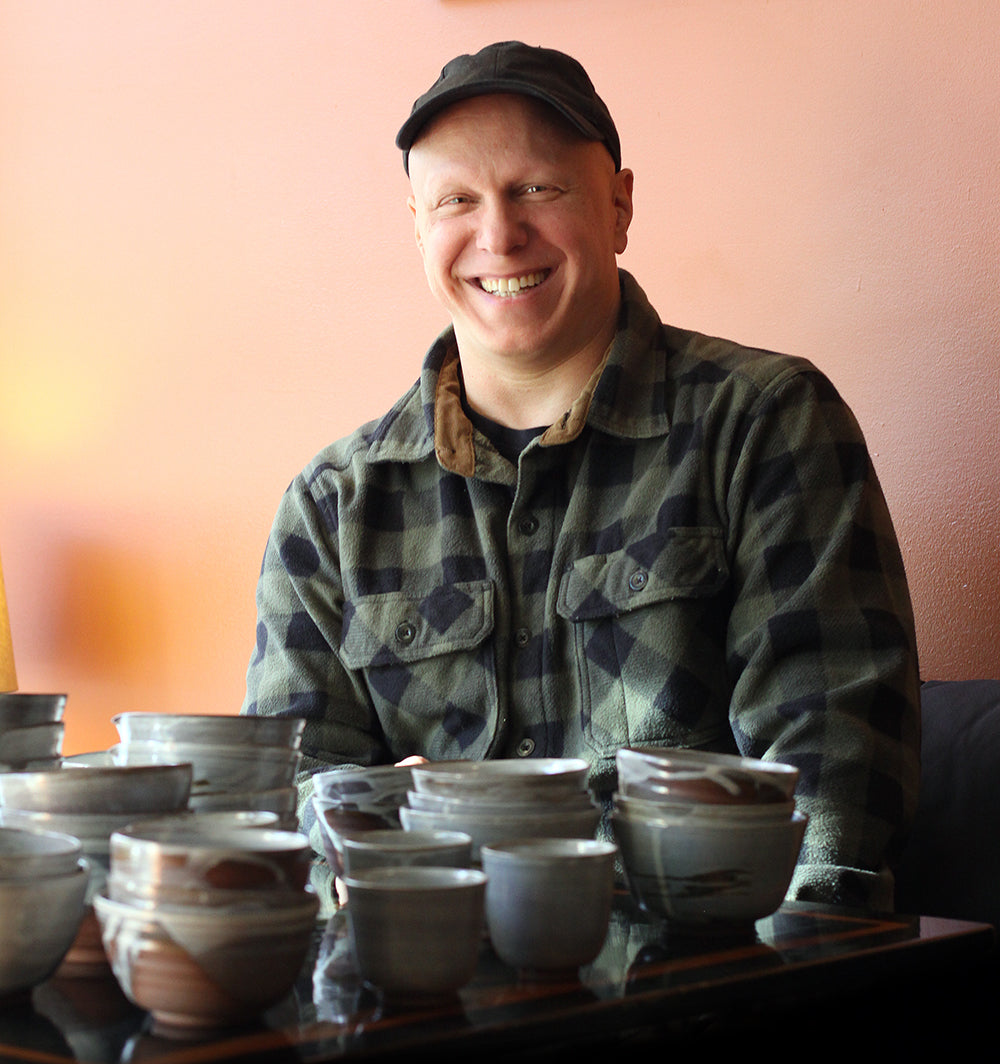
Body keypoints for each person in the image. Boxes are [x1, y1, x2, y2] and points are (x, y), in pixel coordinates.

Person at [242, 41, 920, 913]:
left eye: (536, 188)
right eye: (457, 200)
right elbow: (285, 793)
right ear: (417, 224)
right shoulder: (332, 506)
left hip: (705, 990)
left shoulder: (764, 424)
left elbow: (834, 791)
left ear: (619, 204)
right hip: (425, 999)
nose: (498, 235)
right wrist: (356, 819)